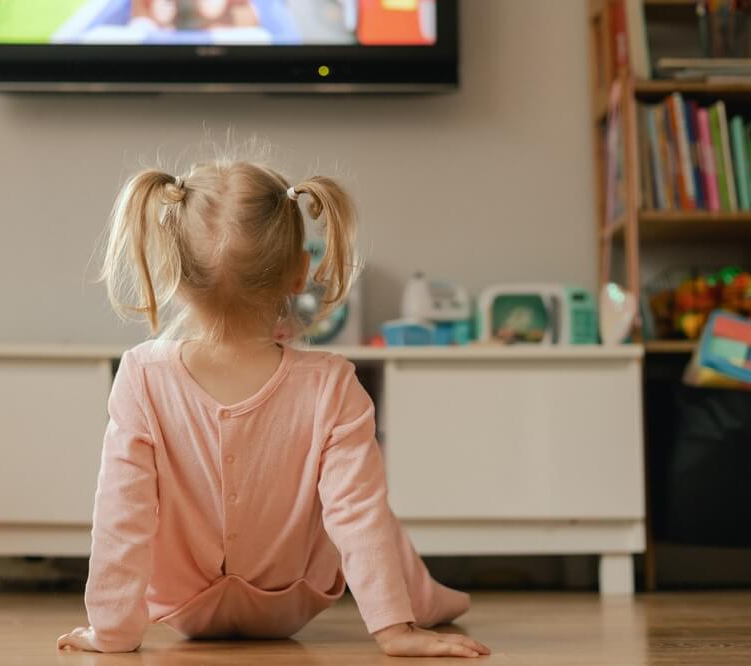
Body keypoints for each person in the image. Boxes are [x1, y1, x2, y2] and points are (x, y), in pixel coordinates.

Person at [57, 155, 490, 658]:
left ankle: (416, 598)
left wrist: (111, 633)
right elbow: (356, 516)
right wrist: (394, 631)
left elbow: (121, 516)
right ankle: (423, 601)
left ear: (171, 270)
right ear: (300, 273)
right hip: (294, 599)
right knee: (365, 507)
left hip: (181, 605)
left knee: (149, 496)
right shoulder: (332, 382)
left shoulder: (141, 374)